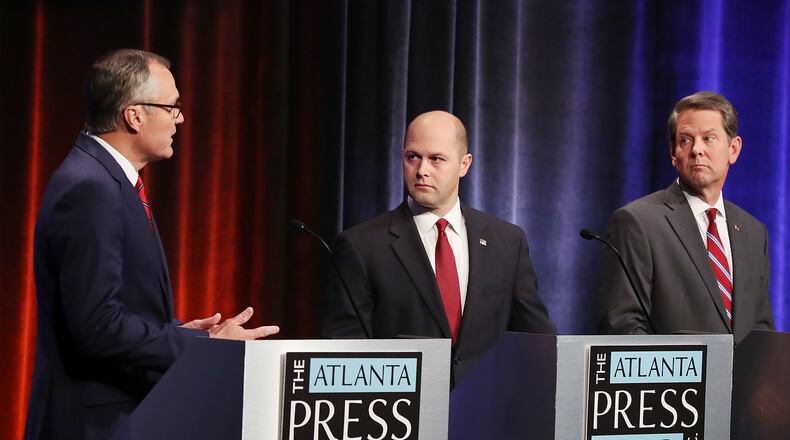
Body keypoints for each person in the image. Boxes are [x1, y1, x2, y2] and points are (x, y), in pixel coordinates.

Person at [25, 49, 279, 440]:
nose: (181, 119)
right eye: (172, 107)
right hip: (93, 425)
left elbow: (114, 308)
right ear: (135, 115)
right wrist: (201, 343)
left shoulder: (104, 178)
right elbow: (96, 326)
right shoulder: (90, 188)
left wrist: (177, 329)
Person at [321, 110, 556, 385]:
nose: (422, 170)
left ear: (464, 164)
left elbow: (537, 339)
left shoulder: (507, 241)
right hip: (404, 417)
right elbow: (343, 353)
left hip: (488, 415)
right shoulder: (361, 246)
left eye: (436, 159)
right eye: (413, 157)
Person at [597, 91, 774, 343]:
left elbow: (762, 331)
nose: (696, 150)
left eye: (708, 138)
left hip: (743, 382)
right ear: (673, 152)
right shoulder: (638, 222)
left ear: (733, 150)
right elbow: (622, 326)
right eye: (685, 140)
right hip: (673, 382)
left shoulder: (754, 232)